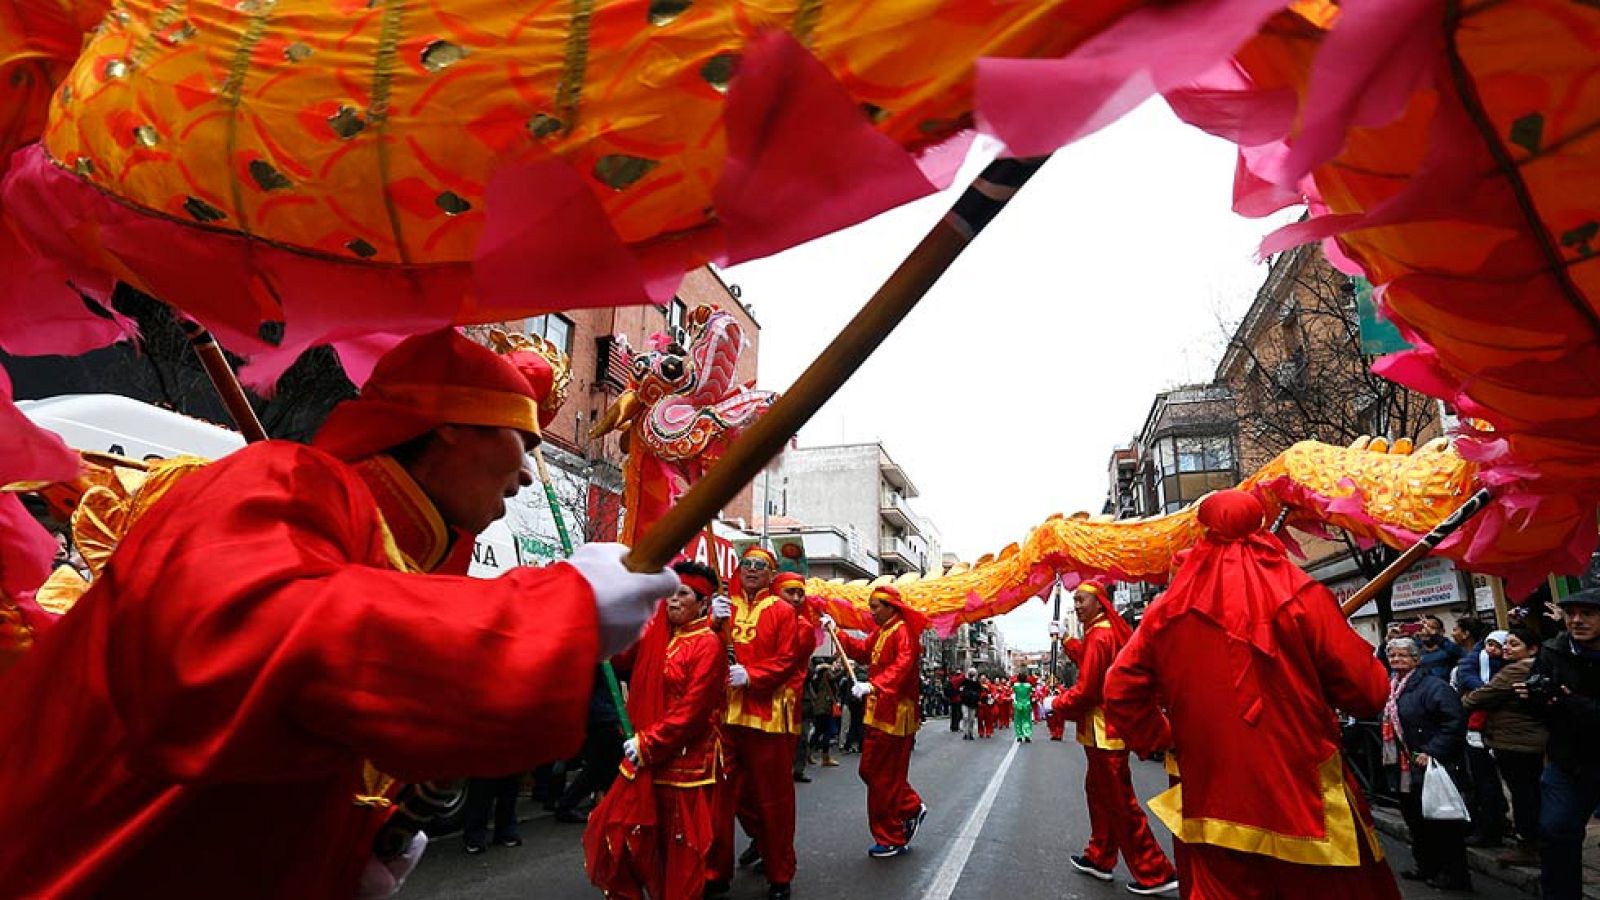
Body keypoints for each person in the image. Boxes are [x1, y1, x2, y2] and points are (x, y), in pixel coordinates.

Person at [0, 329, 678, 899]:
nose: (529, 474)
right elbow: (249, 643)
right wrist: (551, 612)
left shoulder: (390, 548)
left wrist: (358, 838)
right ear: (447, 422)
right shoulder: (283, 479)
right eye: (522, 442)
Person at [1104, 490, 1399, 900]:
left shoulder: (1166, 612)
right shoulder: (1302, 595)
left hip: (1211, 805)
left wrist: (1164, 737)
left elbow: (1120, 688)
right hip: (1305, 803)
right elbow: (1368, 692)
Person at [585, 561, 729, 900]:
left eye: (683, 594)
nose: (673, 601)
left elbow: (692, 713)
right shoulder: (658, 635)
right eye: (670, 594)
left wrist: (648, 742)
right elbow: (621, 659)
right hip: (650, 757)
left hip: (685, 765)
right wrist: (607, 623)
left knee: (680, 850)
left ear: (703, 603)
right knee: (638, 839)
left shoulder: (707, 645)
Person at [1056, 581, 1178, 897]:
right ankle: (1100, 856)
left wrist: (1054, 704)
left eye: (1081, 600)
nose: (1077, 606)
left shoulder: (1100, 634)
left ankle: (1155, 870)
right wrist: (1067, 639)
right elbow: (1090, 660)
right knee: (1100, 793)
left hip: (1105, 731)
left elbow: (1088, 689)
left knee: (1119, 800)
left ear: (1099, 601)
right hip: (1100, 731)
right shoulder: (1102, 631)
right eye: (1074, 601)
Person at [707, 547, 807, 900]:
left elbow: (787, 661)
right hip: (725, 717)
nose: (751, 570)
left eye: (759, 566)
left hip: (765, 718)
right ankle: (716, 872)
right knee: (718, 798)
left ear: (771, 573)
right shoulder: (724, 606)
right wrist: (711, 623)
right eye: (746, 564)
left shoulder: (782, 611)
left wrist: (752, 674)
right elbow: (703, 649)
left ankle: (780, 873)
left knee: (773, 800)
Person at [823, 585, 928, 858]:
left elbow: (903, 666)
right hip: (879, 711)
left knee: (881, 775)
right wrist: (837, 633)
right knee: (872, 771)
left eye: (875, 606)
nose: (871, 612)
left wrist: (874, 685)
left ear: (891, 606)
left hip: (894, 715)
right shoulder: (882, 632)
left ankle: (891, 834)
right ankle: (909, 806)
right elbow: (859, 650)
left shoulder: (903, 632)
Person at [1517, 587, 1600, 900]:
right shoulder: (1553, 651)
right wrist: (1534, 698)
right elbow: (1540, 706)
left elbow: (1572, 705)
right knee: (1555, 831)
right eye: (1571, 614)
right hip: (1568, 762)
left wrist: (1567, 701)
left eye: (1587, 614)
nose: (1577, 620)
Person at [1384, 636, 1472, 891]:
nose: (1396, 660)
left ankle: (1454, 874)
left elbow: (1453, 722)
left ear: (1416, 659)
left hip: (1431, 766)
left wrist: (1432, 751)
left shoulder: (1434, 686)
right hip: (1403, 767)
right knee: (1416, 821)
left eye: (1402, 655)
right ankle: (1427, 866)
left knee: (1442, 823)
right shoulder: (1391, 687)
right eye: (1392, 656)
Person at [1463, 626, 1547, 866]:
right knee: (1529, 792)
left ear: (1532, 649)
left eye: (1514, 644)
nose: (1507, 648)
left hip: (1516, 741)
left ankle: (1529, 845)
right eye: (1506, 643)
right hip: (1523, 739)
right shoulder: (1530, 666)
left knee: (1524, 795)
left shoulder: (1520, 669)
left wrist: (1467, 698)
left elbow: (1483, 695)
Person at [552, 667, 627, 823]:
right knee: (599, 765)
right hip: (599, 714)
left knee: (603, 763)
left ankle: (600, 800)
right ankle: (568, 804)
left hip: (601, 711)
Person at [774, 571, 819, 785]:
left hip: (783, 702)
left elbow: (784, 661)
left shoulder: (803, 627)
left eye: (800, 594)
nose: (795, 598)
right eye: (790, 592)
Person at [807, 658, 842, 768]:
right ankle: (825, 757)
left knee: (819, 731)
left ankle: (809, 753)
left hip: (820, 706)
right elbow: (834, 678)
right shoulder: (826, 673)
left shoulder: (818, 676)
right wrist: (845, 670)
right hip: (825, 706)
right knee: (828, 731)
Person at [959, 668, 981, 740]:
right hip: (965, 702)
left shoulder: (977, 683)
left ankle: (970, 732)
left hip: (973, 703)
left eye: (973, 674)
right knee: (965, 717)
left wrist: (976, 697)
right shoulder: (964, 681)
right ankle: (965, 733)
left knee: (971, 719)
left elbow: (979, 691)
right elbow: (960, 689)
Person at [1012, 675, 1034, 743]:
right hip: (1026, 704)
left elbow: (1013, 693)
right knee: (1027, 720)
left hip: (1018, 704)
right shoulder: (1028, 686)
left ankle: (1019, 736)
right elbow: (1030, 694)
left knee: (1018, 720)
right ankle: (1027, 735)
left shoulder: (1015, 685)